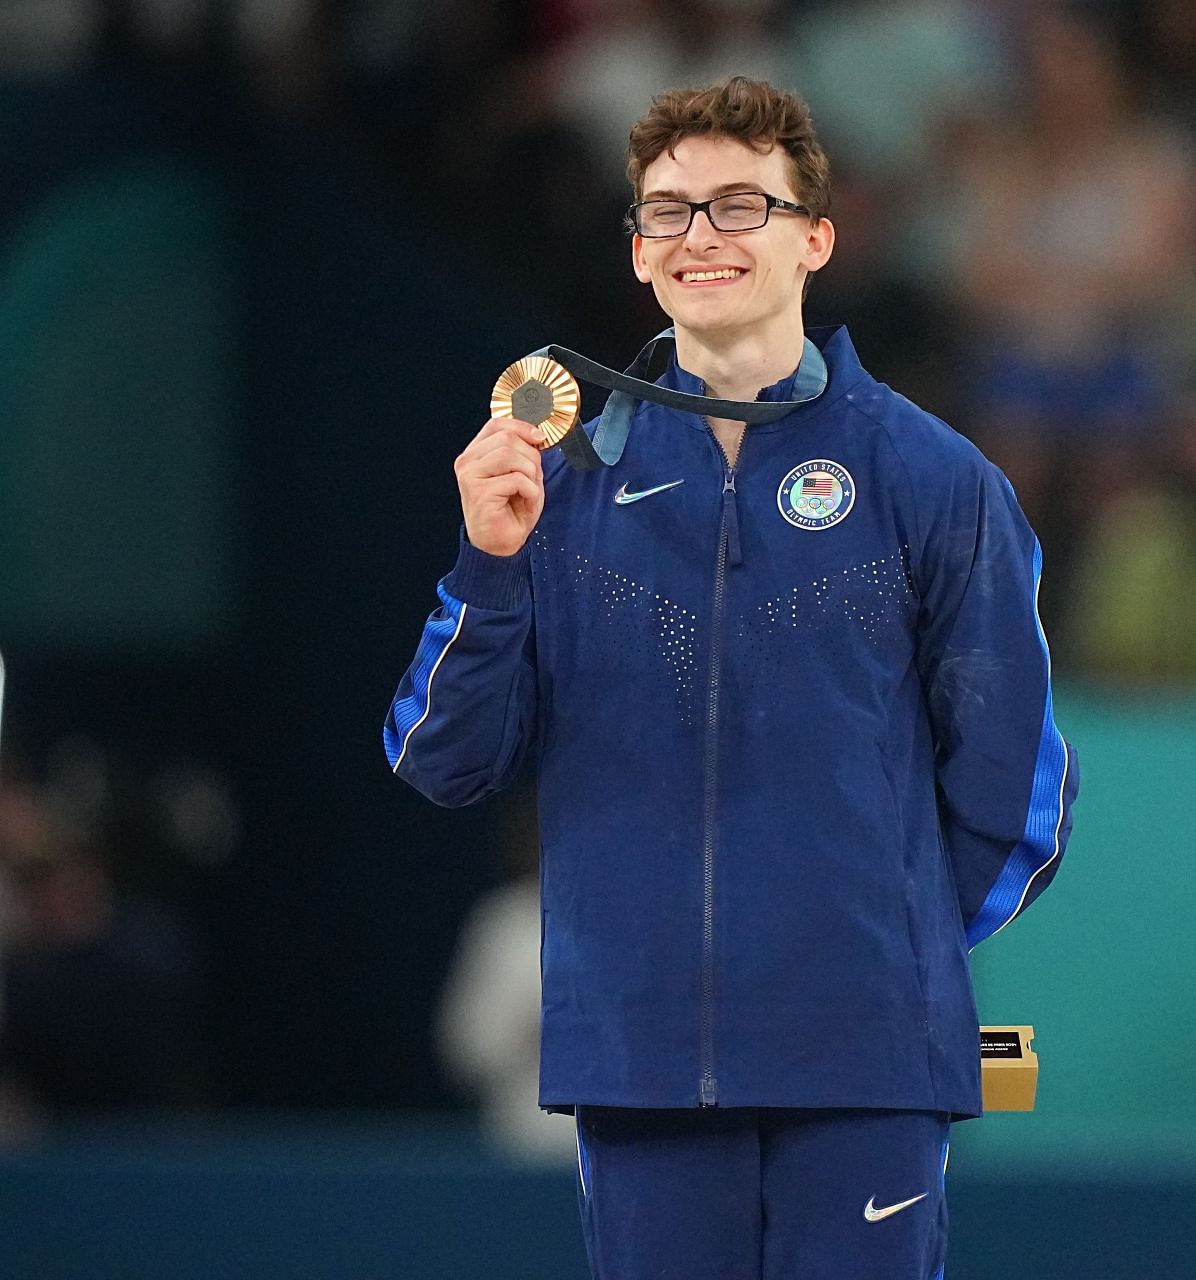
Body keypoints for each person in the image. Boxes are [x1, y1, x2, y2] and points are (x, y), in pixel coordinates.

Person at [382, 76, 1077, 1280]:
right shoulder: (563, 483)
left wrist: (881, 954)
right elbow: (443, 757)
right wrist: (488, 565)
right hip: (642, 1058)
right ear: (640, 255)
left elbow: (1017, 784)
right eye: (667, 212)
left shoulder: (934, 479)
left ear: (817, 236)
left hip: (863, 1059)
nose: (699, 235)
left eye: (738, 205)